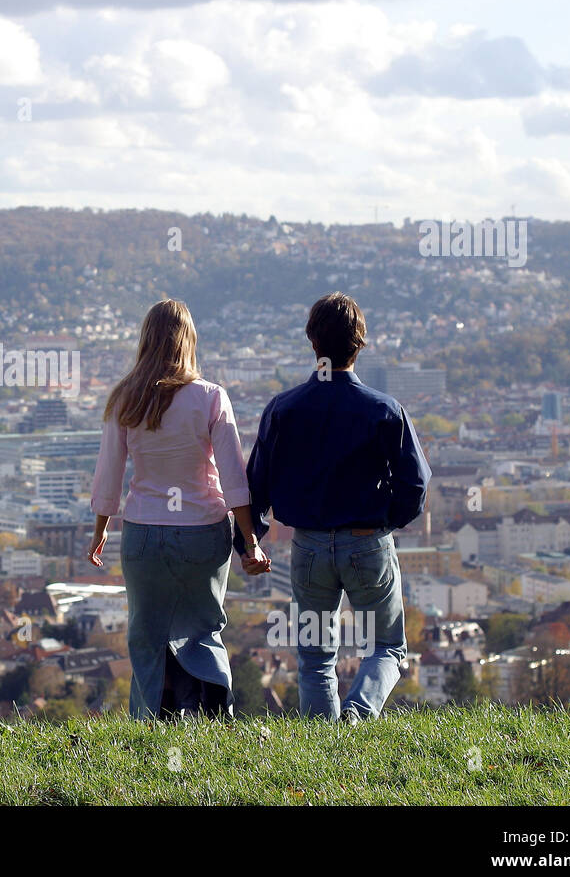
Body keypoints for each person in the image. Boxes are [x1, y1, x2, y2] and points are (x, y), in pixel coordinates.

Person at [246, 292, 431, 724]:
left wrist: (250, 537)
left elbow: (257, 483)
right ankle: (358, 715)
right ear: (360, 343)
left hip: (308, 545)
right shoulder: (385, 411)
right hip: (367, 542)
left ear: (313, 343)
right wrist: (386, 521)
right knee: (386, 646)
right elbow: (415, 483)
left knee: (314, 655)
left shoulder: (283, 409)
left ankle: (322, 744)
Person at [88, 299, 269, 720]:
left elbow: (108, 473)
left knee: (147, 636)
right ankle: (210, 712)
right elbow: (233, 477)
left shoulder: (125, 399)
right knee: (203, 628)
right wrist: (251, 542)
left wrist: (100, 530)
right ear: (189, 340)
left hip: (143, 533)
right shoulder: (210, 398)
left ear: (145, 341)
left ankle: (149, 723)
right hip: (201, 530)